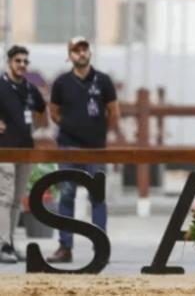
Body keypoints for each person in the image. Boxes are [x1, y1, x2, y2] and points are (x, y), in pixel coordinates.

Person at [47, 36, 121, 263]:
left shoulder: (104, 81)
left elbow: (114, 112)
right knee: (66, 195)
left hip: (95, 149)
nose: (81, 53)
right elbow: (54, 112)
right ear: (69, 55)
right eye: (76, 50)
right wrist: (71, 129)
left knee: (97, 197)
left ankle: (101, 248)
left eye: (84, 49)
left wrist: (98, 132)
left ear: (90, 52)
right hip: (68, 147)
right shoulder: (61, 83)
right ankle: (65, 247)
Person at [0, 45, 47, 263]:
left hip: (25, 150)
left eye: (25, 62)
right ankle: (3, 244)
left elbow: (42, 111)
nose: (22, 65)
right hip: (4, 150)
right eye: (18, 61)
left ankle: (10, 242)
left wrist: (34, 129)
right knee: (4, 198)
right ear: (9, 61)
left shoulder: (29, 88)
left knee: (17, 200)